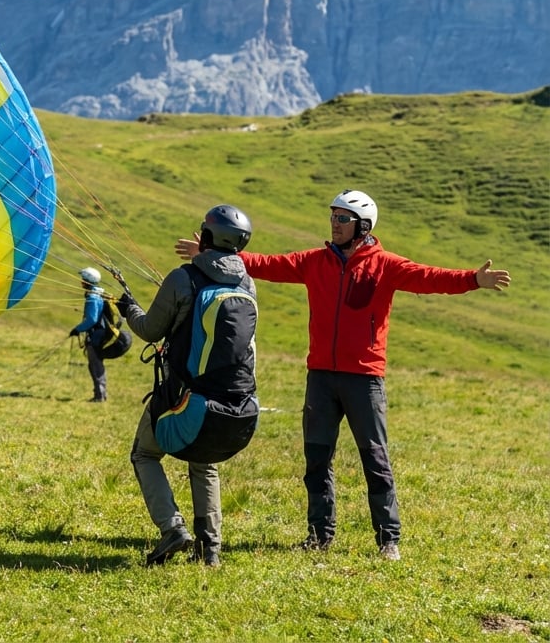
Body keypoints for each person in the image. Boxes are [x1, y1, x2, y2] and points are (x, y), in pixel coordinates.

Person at [176, 188, 511, 562]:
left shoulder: (385, 264)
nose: (334, 224)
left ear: (363, 226)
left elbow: (430, 277)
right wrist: (211, 255)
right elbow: (265, 264)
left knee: (375, 458)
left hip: (364, 378)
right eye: (333, 217)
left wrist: (473, 280)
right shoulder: (314, 261)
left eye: (342, 218)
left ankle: (388, 540)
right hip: (320, 375)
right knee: (317, 458)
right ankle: (320, 535)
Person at [115, 205, 259, 567]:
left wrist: (128, 308)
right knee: (204, 462)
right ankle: (209, 550)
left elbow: (150, 330)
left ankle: (173, 529)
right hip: (233, 403)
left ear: (206, 237)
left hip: (185, 399)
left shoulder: (182, 278)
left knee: (144, 454)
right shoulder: (247, 283)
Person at [69, 267, 111, 402]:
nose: (81, 282)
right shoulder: (98, 294)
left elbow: (92, 319)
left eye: (83, 280)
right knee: (96, 364)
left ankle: (99, 395)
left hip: (96, 336)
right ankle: (101, 394)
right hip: (100, 333)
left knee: (95, 364)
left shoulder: (93, 298)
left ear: (87, 282)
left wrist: (78, 329)